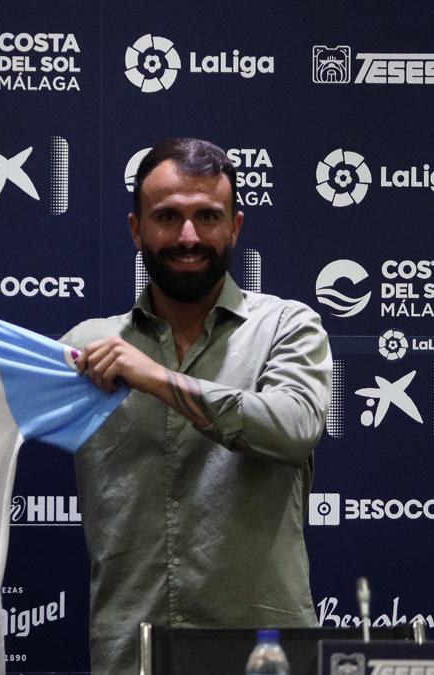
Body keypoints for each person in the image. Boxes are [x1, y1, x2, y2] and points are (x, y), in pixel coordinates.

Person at [62, 138, 331, 674]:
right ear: (137, 230)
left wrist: (158, 379)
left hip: (264, 654)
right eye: (167, 217)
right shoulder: (85, 348)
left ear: (235, 226)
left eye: (207, 216)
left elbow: (294, 426)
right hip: (129, 652)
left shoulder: (288, 326)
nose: (188, 236)